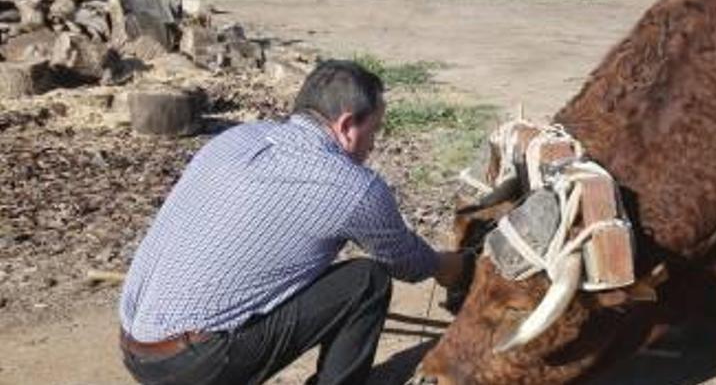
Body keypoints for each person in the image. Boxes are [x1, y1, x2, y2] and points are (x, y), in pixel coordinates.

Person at [118, 60, 470, 385]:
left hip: (134, 345)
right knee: (367, 281)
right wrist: (455, 266)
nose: (373, 144)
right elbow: (407, 263)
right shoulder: (353, 187)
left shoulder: (238, 137)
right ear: (347, 125)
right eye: (374, 130)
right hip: (190, 367)